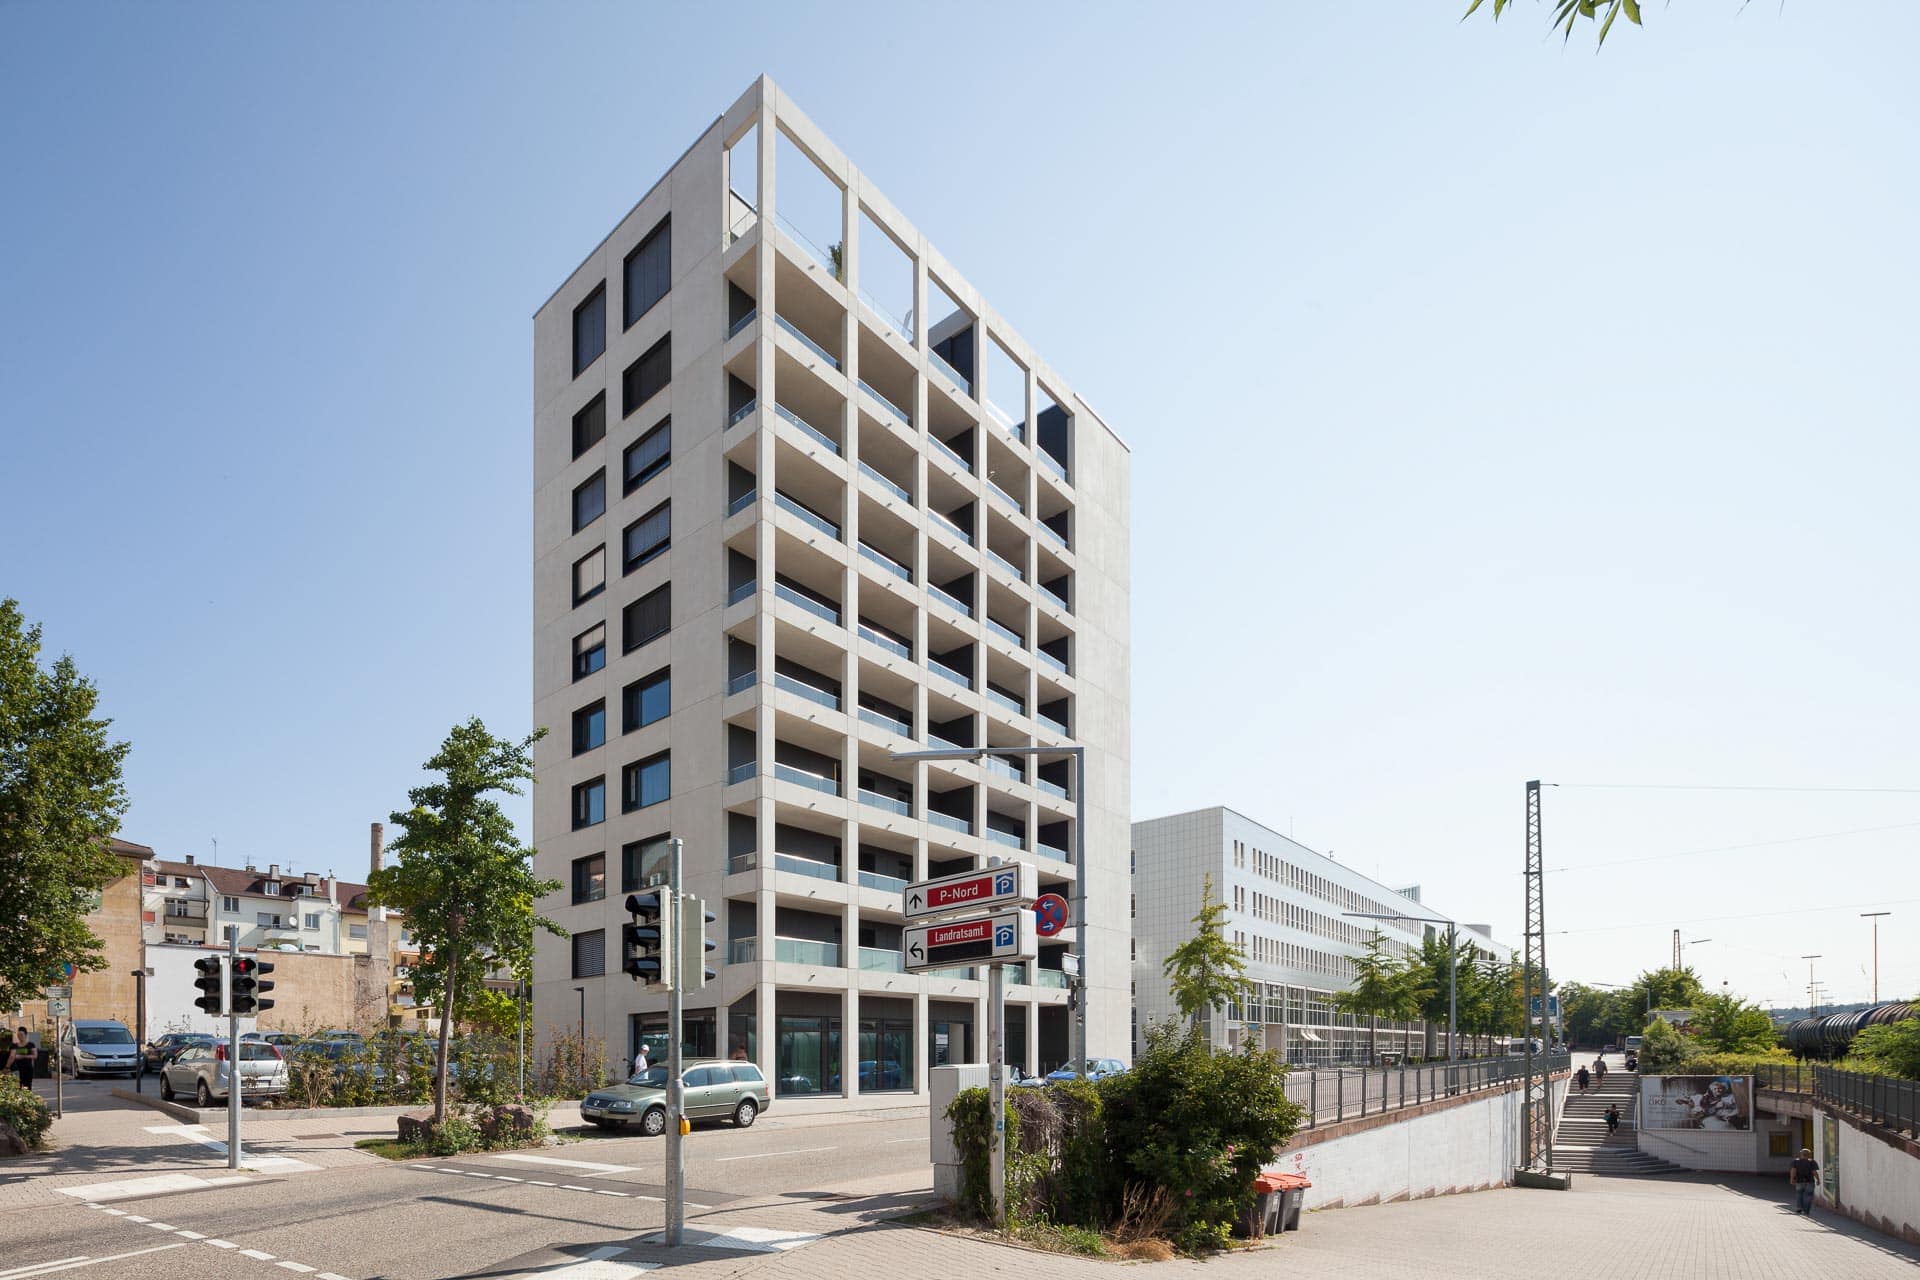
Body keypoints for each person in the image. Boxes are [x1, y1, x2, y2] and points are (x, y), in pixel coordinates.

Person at [1788, 1147, 1819, 1215]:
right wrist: (1818, 1179)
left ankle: (1799, 1208)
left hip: (1799, 1181)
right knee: (1808, 1195)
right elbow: (1814, 1172)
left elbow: (1793, 1171)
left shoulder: (1795, 1161)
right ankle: (1806, 1210)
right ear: (1809, 1154)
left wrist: (1792, 1179)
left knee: (1799, 1194)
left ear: (1801, 1154)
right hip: (1809, 1181)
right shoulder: (1812, 1161)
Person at [5, 1026, 34, 1091]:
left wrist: (7, 1067)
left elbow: (34, 1056)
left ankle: (25, 1098)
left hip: (26, 1068)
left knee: (25, 1085)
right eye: (18, 1035)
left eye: (21, 1035)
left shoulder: (30, 1045)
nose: (19, 1036)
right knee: (20, 1085)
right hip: (17, 1068)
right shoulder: (14, 1045)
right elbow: (12, 1056)